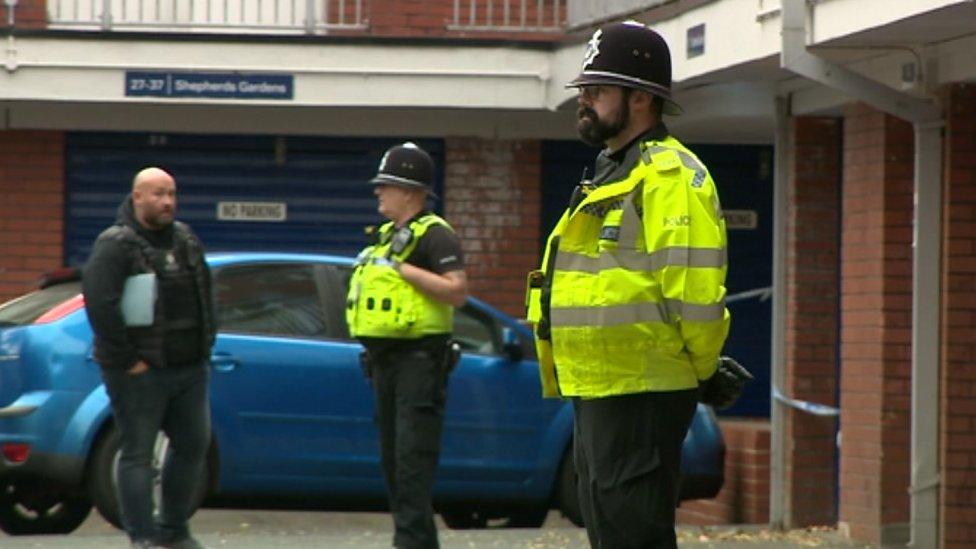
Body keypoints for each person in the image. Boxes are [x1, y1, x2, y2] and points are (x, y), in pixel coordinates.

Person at [525, 21, 730, 548]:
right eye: (583, 90)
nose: (584, 100)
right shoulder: (612, 171)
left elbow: (696, 298)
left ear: (641, 97)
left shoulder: (670, 177)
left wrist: (701, 371)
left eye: (597, 90)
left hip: (641, 391)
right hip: (601, 387)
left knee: (636, 538)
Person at [83, 167, 215, 549]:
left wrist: (205, 347)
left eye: (172, 193)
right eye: (158, 194)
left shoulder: (185, 238)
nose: (167, 202)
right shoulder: (116, 244)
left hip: (189, 366)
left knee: (192, 445)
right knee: (138, 452)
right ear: (137, 197)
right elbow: (101, 305)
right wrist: (128, 359)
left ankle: (174, 529)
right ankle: (143, 537)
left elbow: (205, 292)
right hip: (139, 371)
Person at [345, 142, 468, 549]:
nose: (378, 192)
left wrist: (404, 271)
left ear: (411, 193)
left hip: (420, 364)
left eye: (387, 185)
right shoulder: (386, 236)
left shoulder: (435, 236)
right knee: (395, 465)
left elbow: (456, 292)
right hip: (385, 363)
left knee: (412, 465)